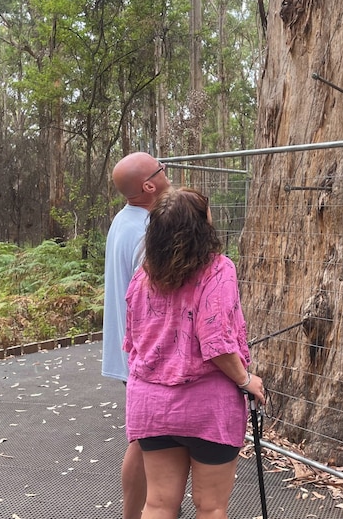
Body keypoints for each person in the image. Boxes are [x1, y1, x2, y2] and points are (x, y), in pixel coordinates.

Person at [124, 187, 265, 519]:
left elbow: (132, 340)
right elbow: (216, 342)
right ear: (201, 226)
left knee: (158, 503)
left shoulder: (142, 276)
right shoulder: (218, 270)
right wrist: (247, 381)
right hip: (207, 407)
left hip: (151, 405)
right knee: (211, 506)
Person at [102, 151, 171, 519]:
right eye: (162, 169)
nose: (167, 173)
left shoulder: (122, 220)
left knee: (143, 438)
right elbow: (153, 295)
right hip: (142, 351)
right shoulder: (149, 229)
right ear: (149, 185)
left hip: (128, 348)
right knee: (143, 440)